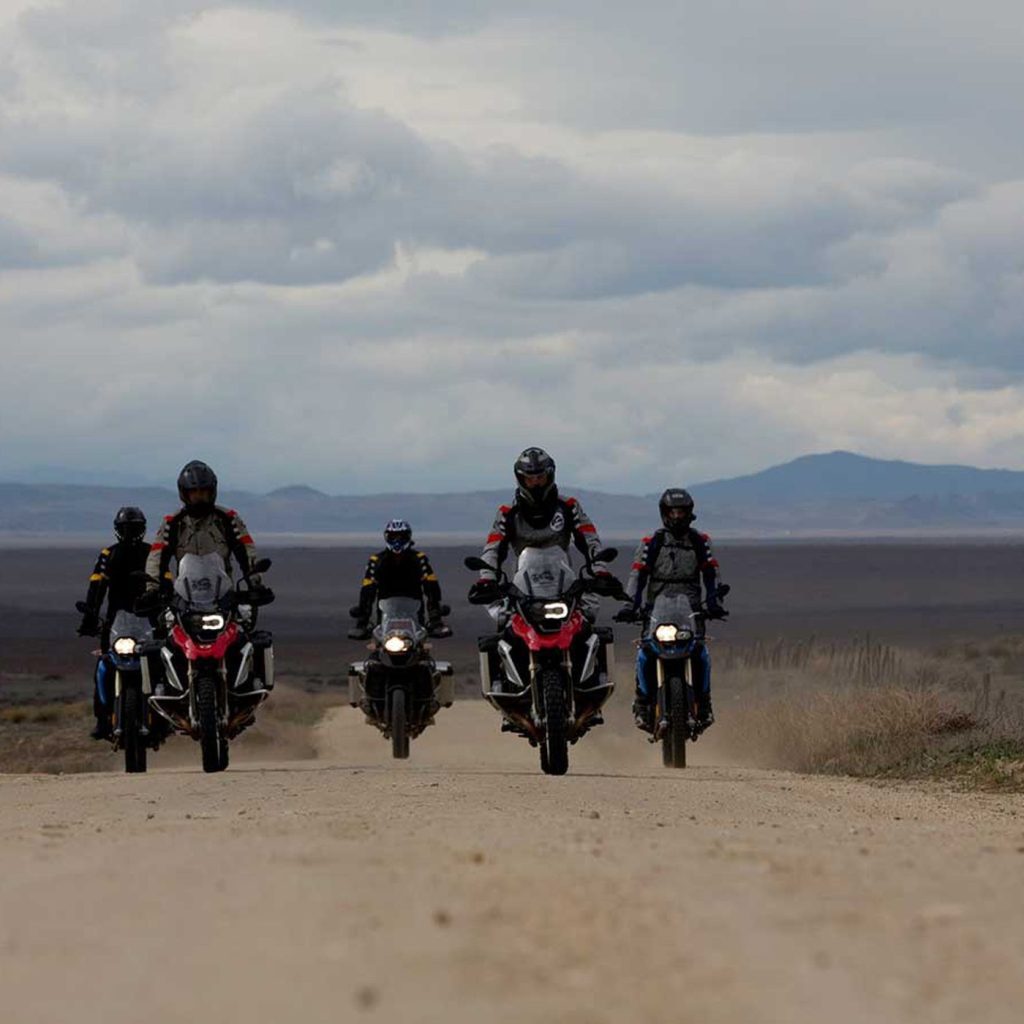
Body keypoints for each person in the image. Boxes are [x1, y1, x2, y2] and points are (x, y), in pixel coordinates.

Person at [616, 488, 727, 731]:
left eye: (682, 512)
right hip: (657, 609)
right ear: (664, 513)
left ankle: (704, 703)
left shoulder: (701, 541)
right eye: (673, 512)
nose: (677, 517)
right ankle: (643, 703)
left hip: (691, 610)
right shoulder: (651, 542)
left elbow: (711, 574)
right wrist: (629, 606)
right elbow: (638, 575)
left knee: (699, 652)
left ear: (690, 513)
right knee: (645, 651)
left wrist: (715, 603)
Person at [467, 447, 611, 601]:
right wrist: (487, 578)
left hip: (565, 586)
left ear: (550, 476)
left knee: (589, 611)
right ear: (521, 479)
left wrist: (600, 571)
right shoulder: (507, 513)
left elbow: (590, 540)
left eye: (540, 477)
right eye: (530, 479)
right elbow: (492, 549)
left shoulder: (569, 506)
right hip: (522, 589)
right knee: (503, 616)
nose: (536, 483)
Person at [76, 506, 150, 739]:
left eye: (135, 528)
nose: (130, 533)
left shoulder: (153, 554)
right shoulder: (109, 554)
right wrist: (89, 617)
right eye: (126, 528)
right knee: (104, 665)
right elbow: (96, 587)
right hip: (116, 622)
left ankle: (168, 712)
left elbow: (166, 584)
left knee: (164, 660)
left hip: (149, 622)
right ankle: (103, 719)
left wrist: (166, 613)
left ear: (143, 529)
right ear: (118, 530)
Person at [143, 460, 264, 595]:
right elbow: (156, 558)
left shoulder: (228, 518)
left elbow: (247, 552)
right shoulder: (172, 522)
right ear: (185, 494)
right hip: (184, 599)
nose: (199, 496)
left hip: (223, 597)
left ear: (212, 492)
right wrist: (152, 589)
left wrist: (255, 582)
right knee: (164, 615)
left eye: (203, 491)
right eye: (193, 492)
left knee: (245, 613)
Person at [348, 520, 452, 640]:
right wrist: (362, 620)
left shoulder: (419, 559)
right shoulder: (376, 560)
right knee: (376, 645)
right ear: (387, 537)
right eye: (393, 537)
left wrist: (435, 618)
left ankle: (423, 656)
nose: (397, 541)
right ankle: (375, 657)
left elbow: (431, 589)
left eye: (401, 537)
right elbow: (367, 591)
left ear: (408, 537)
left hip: (415, 616)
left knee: (422, 645)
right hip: (385, 617)